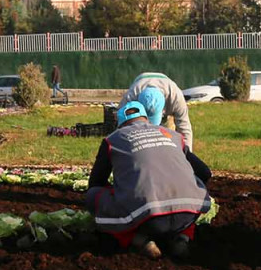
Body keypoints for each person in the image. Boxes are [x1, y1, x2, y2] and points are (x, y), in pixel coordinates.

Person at [86, 99, 212, 260]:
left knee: (93, 196)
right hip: (188, 215)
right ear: (147, 119)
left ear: (120, 124)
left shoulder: (113, 140)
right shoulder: (173, 135)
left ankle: (138, 240)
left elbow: (95, 183)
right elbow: (205, 173)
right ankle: (183, 237)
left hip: (148, 218)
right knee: (190, 187)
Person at [121, 71, 194, 149]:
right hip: (141, 80)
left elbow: (184, 128)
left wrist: (187, 153)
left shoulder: (176, 98)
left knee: (167, 138)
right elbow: (122, 128)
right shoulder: (131, 98)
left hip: (166, 86)